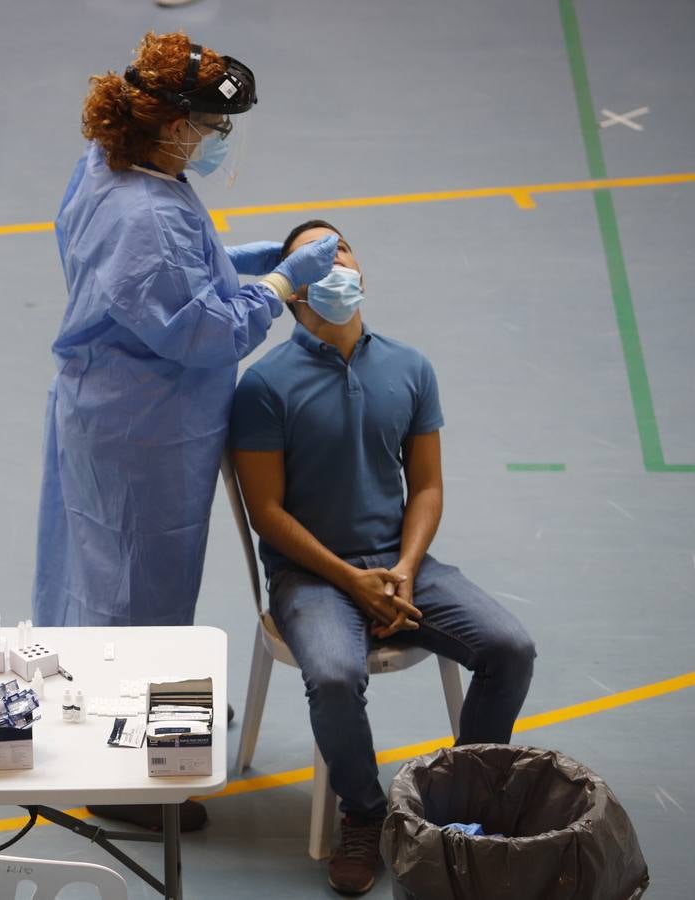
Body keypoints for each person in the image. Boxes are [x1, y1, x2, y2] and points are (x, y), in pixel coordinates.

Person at [30, 31, 337, 833]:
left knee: (92, 574)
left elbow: (152, 274)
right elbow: (200, 330)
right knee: (140, 587)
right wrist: (278, 286)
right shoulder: (147, 212)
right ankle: (124, 781)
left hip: (103, 403)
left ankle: (109, 707)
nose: (212, 141)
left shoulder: (111, 168)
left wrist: (249, 260)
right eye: (206, 126)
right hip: (149, 430)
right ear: (170, 124)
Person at [230, 221, 537, 895]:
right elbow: (268, 515)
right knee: (336, 676)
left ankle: (462, 807)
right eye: (315, 253)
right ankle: (365, 815)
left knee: (510, 648)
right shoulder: (263, 387)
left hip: (403, 565)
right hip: (312, 576)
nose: (335, 258)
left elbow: (425, 484)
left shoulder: (409, 366)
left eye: (341, 246)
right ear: (291, 287)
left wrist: (400, 570)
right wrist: (352, 583)